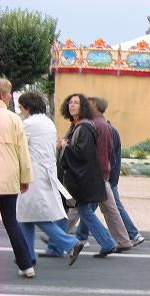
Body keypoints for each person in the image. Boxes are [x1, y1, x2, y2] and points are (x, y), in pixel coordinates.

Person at [16, 92, 84, 266]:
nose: (21, 111)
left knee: (33, 215)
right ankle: (27, 255)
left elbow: (20, 148)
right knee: (25, 215)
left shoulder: (28, 124)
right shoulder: (48, 123)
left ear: (27, 107)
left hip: (33, 175)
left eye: (21, 107)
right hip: (47, 174)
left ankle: (70, 243)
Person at [58, 93, 117, 257]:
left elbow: (82, 153)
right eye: (70, 102)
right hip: (85, 177)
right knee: (83, 211)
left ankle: (56, 241)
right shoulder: (79, 126)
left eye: (76, 103)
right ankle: (57, 241)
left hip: (83, 178)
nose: (72, 105)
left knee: (80, 210)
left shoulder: (83, 127)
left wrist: (65, 146)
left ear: (83, 107)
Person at [74, 97, 133, 253]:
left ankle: (57, 235)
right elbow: (110, 155)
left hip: (95, 175)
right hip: (101, 174)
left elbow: (97, 153)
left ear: (94, 106)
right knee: (108, 209)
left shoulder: (95, 125)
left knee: (78, 207)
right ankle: (124, 240)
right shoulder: (104, 125)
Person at [0, 78, 35, 277]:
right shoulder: (14, 119)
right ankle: (26, 264)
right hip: (8, 179)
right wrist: (25, 178)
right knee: (11, 222)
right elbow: (23, 152)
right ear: (4, 95)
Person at [109, 121, 145, 247]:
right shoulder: (111, 130)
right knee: (89, 209)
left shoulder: (107, 131)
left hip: (107, 178)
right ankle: (133, 234)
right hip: (109, 177)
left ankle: (133, 234)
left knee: (89, 209)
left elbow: (110, 158)